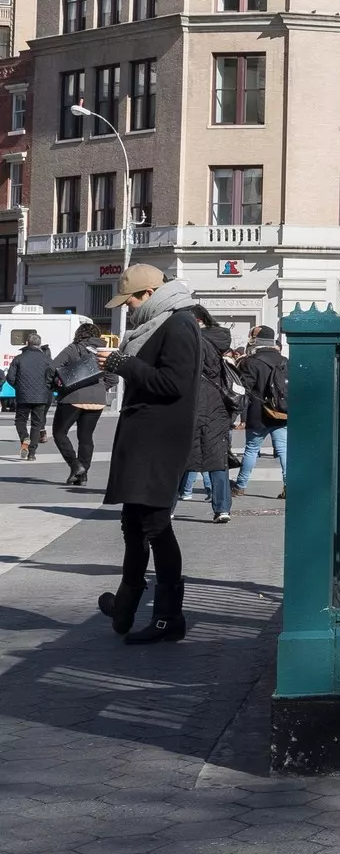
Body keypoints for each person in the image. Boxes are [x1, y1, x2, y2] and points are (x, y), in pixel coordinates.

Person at [92, 264, 203, 645]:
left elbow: (173, 384)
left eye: (134, 299)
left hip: (159, 440)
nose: (130, 308)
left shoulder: (178, 324)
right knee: (133, 525)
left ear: (152, 292)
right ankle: (126, 606)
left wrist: (125, 365)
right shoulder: (157, 324)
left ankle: (168, 617)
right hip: (145, 437)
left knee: (155, 526)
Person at [185, 307, 238, 524]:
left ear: (195, 321)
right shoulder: (219, 341)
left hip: (191, 403)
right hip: (217, 406)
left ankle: (166, 507)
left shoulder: (191, 341)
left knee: (181, 458)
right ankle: (222, 508)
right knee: (217, 459)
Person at [51, 323, 108, 486]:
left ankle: (76, 466)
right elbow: (113, 378)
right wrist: (99, 389)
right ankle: (82, 474)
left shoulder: (73, 349)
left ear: (79, 334)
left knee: (59, 433)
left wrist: (56, 383)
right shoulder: (104, 351)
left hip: (72, 397)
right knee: (86, 436)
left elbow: (52, 367)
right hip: (97, 400)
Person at [234, 326, 287, 499]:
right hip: (280, 412)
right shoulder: (285, 361)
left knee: (251, 449)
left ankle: (240, 485)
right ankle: (288, 486)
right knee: (284, 450)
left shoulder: (250, 362)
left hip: (258, 413)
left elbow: (244, 389)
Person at [7, 330, 54, 460]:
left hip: (23, 397)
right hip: (41, 397)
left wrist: (19, 387)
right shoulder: (47, 359)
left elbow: (10, 377)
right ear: (39, 344)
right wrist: (46, 389)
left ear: (27, 343)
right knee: (36, 424)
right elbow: (52, 377)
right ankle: (32, 453)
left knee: (20, 421)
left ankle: (24, 438)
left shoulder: (19, 358)